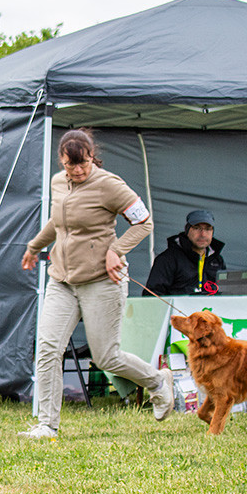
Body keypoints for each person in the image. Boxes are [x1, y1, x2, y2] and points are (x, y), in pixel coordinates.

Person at [19, 129, 174, 439]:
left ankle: (157, 381)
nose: (77, 171)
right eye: (70, 165)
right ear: (61, 160)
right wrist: (34, 247)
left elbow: (144, 222)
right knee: (48, 349)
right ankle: (47, 425)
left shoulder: (109, 185)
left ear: (92, 156)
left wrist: (116, 250)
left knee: (105, 357)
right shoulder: (57, 182)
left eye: (83, 164)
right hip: (62, 280)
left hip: (102, 282)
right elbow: (58, 222)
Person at [143, 209, 226, 295]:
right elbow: (152, 295)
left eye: (208, 229)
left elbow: (226, 292)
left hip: (210, 308)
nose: (203, 234)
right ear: (187, 230)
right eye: (197, 228)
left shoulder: (217, 260)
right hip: (177, 308)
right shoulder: (168, 259)